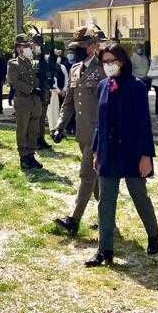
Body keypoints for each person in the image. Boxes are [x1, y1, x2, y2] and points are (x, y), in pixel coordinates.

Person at [86, 42, 158, 267]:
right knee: (106, 201)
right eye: (105, 62)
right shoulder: (102, 86)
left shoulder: (136, 87)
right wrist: (96, 151)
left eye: (113, 61)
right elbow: (99, 123)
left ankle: (153, 235)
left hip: (132, 152)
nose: (108, 66)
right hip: (108, 153)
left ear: (122, 62)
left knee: (139, 195)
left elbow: (143, 124)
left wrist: (146, 155)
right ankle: (104, 250)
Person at [52, 28, 104, 235]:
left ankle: (74, 220)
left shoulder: (103, 70)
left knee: (87, 174)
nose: (76, 52)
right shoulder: (75, 69)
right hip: (82, 134)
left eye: (80, 48)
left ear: (92, 47)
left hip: (98, 135)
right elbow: (69, 103)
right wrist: (59, 126)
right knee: (98, 178)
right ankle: (107, 217)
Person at [7, 34, 43, 170]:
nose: (28, 48)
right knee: (22, 129)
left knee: (33, 129)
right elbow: (14, 81)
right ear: (18, 49)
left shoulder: (30, 62)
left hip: (34, 102)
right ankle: (23, 156)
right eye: (25, 46)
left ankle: (31, 154)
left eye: (29, 46)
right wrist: (31, 89)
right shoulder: (13, 63)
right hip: (23, 100)